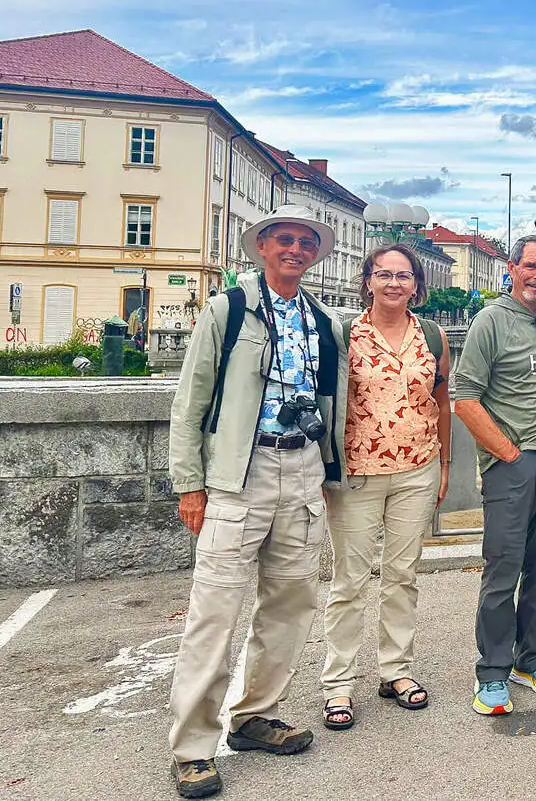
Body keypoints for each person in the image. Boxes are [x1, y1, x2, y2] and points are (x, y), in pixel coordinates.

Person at [166, 204, 347, 799]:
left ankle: (255, 716)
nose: (295, 249)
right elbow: (191, 400)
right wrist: (190, 482)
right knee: (214, 610)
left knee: (291, 604)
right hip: (238, 473)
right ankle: (194, 746)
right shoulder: (230, 309)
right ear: (263, 247)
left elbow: (330, 399)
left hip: (300, 467)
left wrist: (327, 468)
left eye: (305, 242)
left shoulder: (323, 321)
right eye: (285, 240)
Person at [319, 242, 451, 730]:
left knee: (402, 575)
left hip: (418, 467)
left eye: (404, 275)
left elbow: (441, 401)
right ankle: (338, 683)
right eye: (384, 274)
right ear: (368, 281)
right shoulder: (343, 336)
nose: (394, 283)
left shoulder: (432, 337)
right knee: (349, 581)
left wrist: (446, 464)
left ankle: (395, 670)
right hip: (357, 473)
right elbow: (326, 403)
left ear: (417, 284)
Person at [453, 234, 536, 716]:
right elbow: (464, 397)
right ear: (512, 266)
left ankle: (533, 656)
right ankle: (493, 670)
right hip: (514, 464)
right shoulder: (490, 321)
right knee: (504, 569)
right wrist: (508, 453)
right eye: (531, 266)